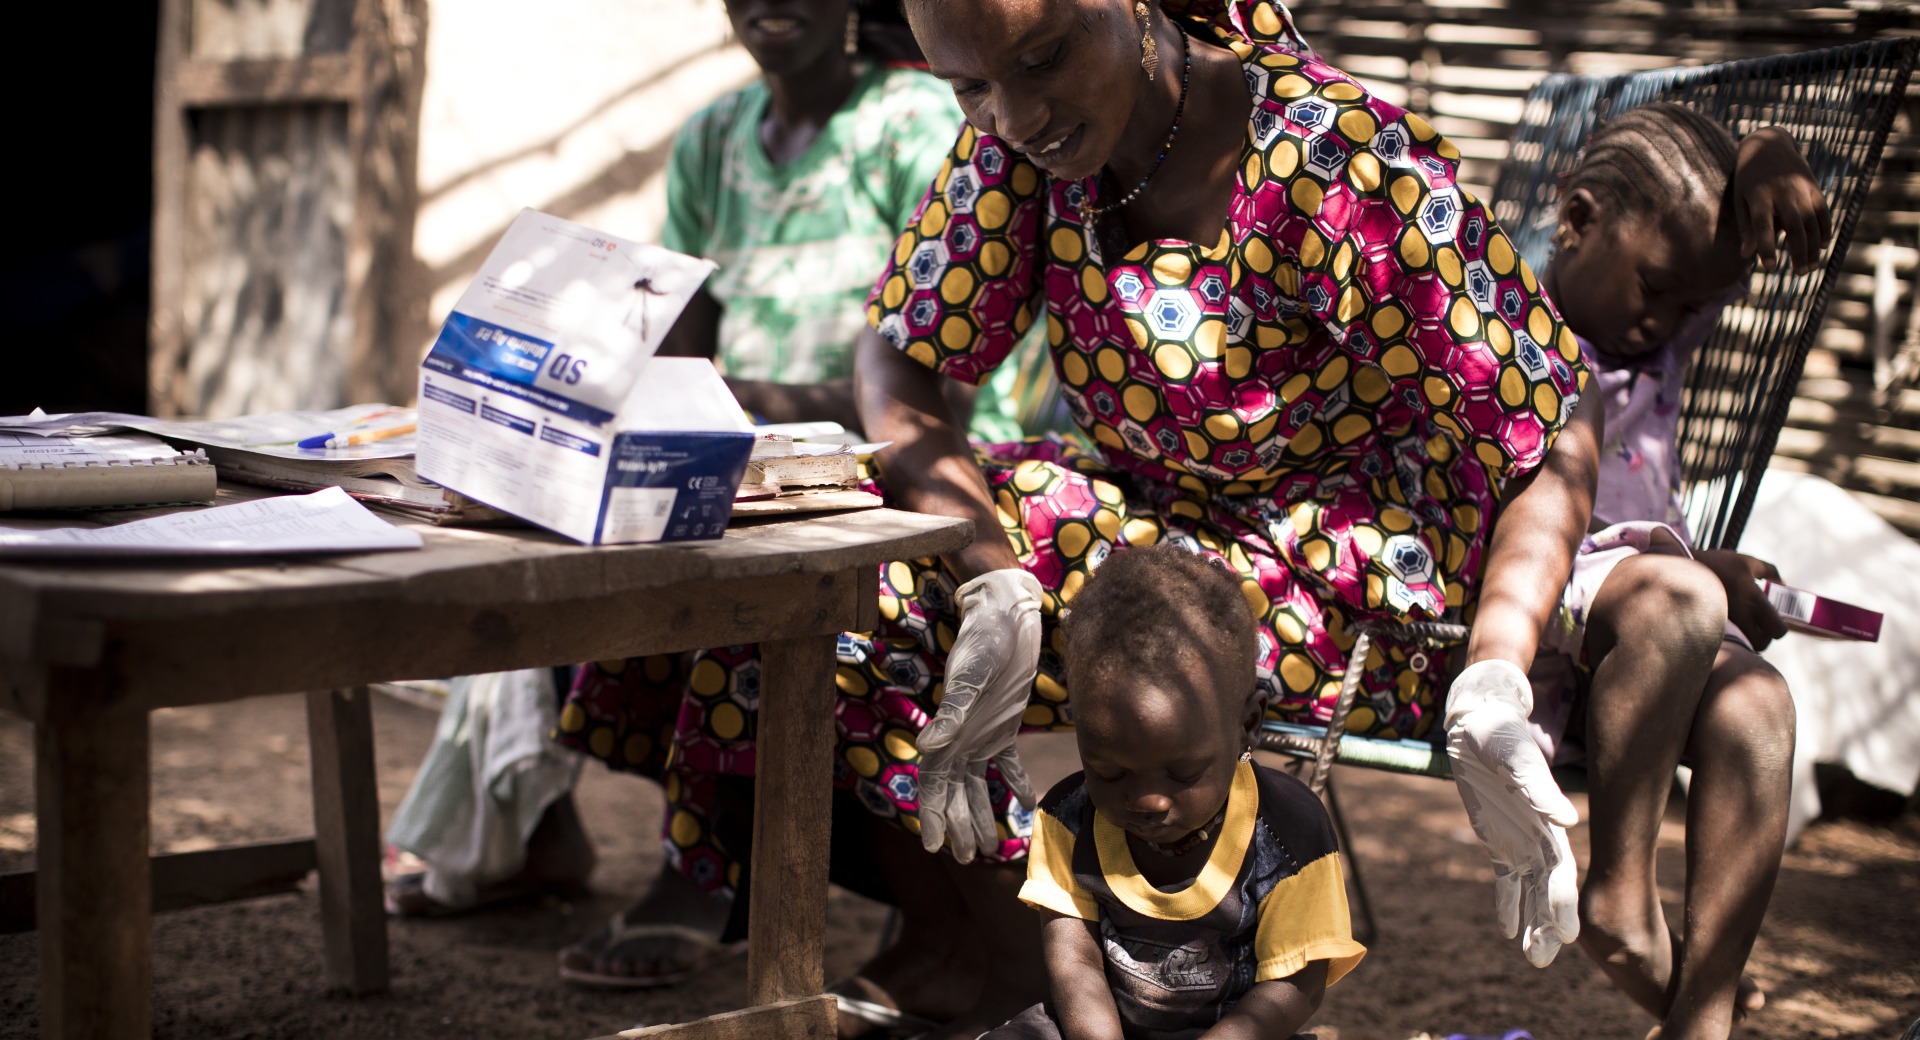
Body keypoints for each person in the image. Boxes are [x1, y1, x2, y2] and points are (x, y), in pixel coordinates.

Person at [838, 0, 1603, 1032]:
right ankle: (1018, 949)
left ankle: (1054, 975)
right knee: (863, 566)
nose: (1014, 115)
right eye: (969, 86)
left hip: (1343, 572)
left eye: (1045, 58)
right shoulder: (1016, 152)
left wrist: (1496, 671)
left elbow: (1549, 413)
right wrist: (994, 576)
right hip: (1149, 533)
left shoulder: (1335, 157)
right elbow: (900, 351)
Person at [550, 0, 1068, 1003]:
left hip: (931, 451)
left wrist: (736, 409)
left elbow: (937, 388)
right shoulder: (713, 136)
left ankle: (715, 863)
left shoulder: (918, 126)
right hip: (766, 452)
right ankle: (710, 851)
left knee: (780, 567)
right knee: (609, 517)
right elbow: (686, 336)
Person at [1505, 102, 1828, 1040]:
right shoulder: (1502, 323)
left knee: (1761, 706)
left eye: (1690, 303)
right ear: (1576, 221)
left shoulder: (1656, 330)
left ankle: (1705, 1013)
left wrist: (1765, 147)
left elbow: (1761, 230)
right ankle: (1621, 887)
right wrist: (1698, 574)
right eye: (1660, 288)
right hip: (1531, 606)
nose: (1672, 318)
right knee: (1684, 594)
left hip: (1652, 623)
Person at [988, 544, 1365, 1040]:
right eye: (1110, 772)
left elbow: (1296, 983)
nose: (1148, 801)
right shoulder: (1067, 819)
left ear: (1247, 725)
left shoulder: (1289, 834)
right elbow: (1074, 965)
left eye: (1183, 774)